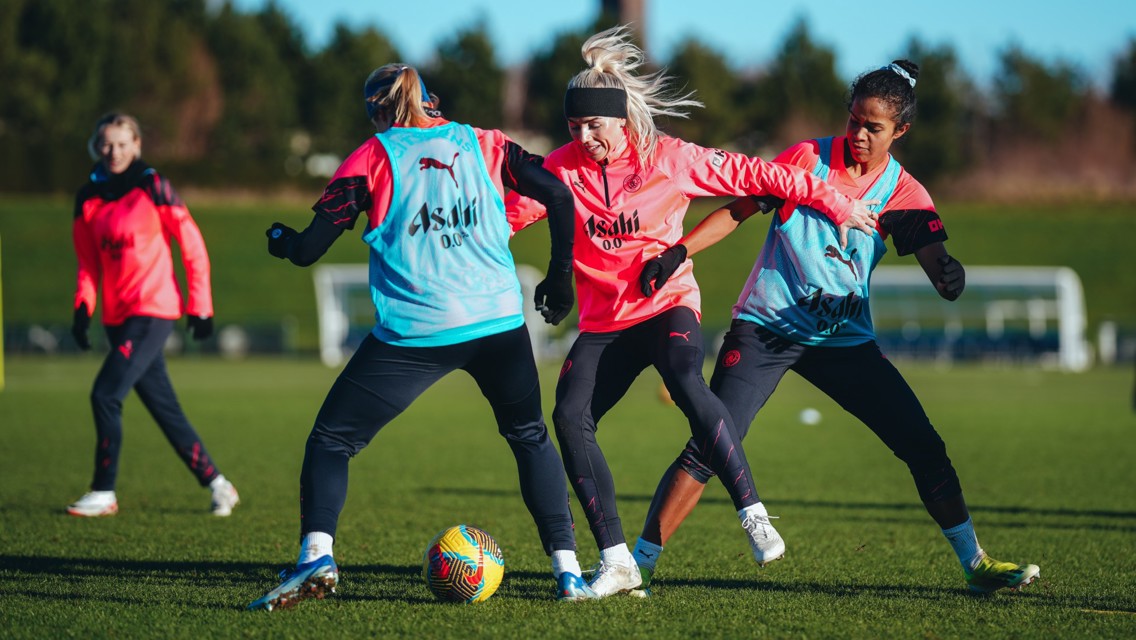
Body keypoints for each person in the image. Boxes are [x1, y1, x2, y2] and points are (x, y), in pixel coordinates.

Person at [630, 60, 1040, 596]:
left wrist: (949, 275)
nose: (860, 136)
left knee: (923, 445)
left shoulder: (905, 193)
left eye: (874, 127)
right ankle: (637, 567)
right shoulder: (806, 159)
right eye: (854, 122)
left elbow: (938, 264)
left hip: (842, 341)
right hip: (766, 329)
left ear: (901, 131)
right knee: (711, 442)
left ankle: (975, 564)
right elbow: (740, 210)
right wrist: (678, 251)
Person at [506, 26, 879, 597]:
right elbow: (507, 215)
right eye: (575, 126)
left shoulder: (669, 158)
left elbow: (763, 176)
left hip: (666, 305)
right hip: (605, 323)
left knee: (684, 379)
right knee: (568, 416)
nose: (585, 136)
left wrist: (835, 201)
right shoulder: (560, 168)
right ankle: (617, 561)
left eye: (595, 125)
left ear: (622, 119)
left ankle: (752, 512)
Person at [248, 63, 595, 611]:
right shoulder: (483, 141)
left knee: (331, 441)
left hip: (416, 331)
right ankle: (570, 573)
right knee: (529, 438)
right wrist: (558, 275)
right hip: (499, 324)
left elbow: (310, 249)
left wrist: (280, 240)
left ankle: (317, 555)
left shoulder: (373, 155)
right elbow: (557, 193)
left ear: (379, 110)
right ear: (433, 102)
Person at [68, 112, 239, 518]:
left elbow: (190, 241)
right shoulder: (87, 197)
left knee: (105, 394)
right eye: (107, 144)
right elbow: (88, 263)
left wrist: (201, 304)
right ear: (96, 146)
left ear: (137, 146)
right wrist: (82, 308)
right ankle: (219, 484)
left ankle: (103, 490)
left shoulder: (153, 185)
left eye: (123, 144)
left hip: (154, 309)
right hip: (117, 318)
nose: (114, 152)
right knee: (165, 410)